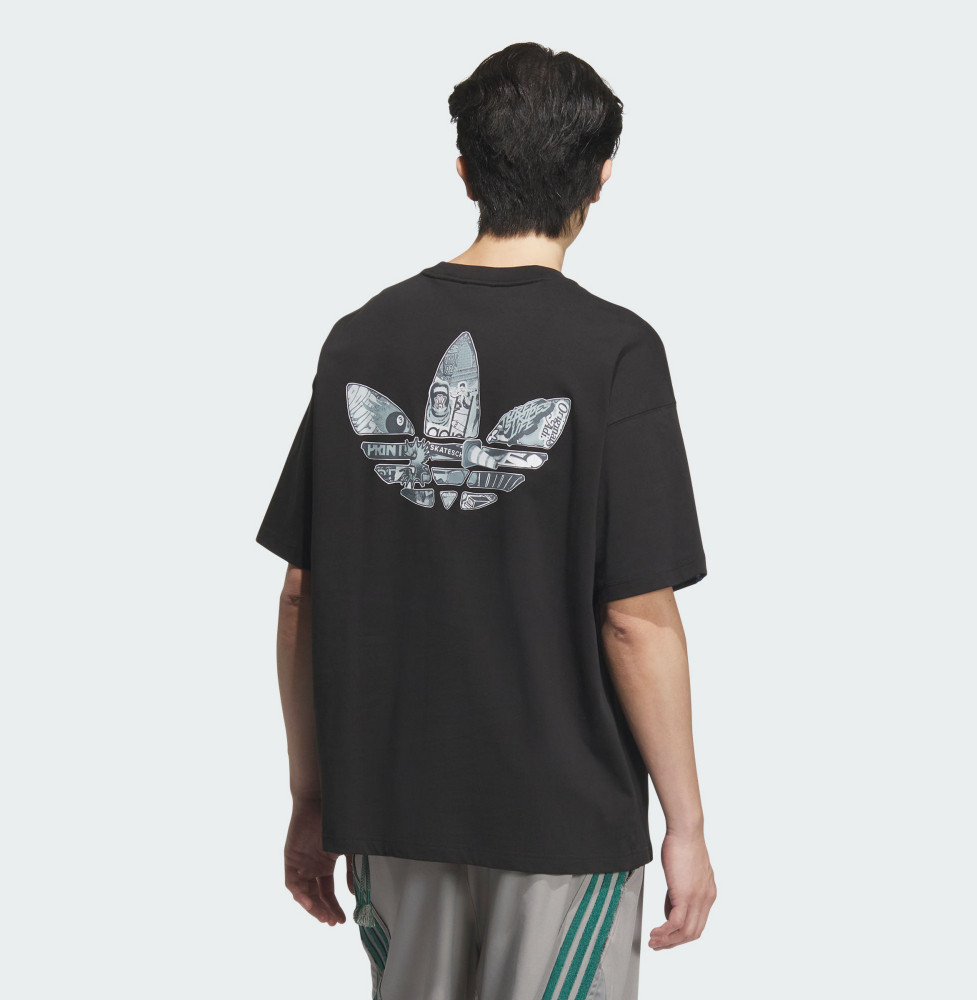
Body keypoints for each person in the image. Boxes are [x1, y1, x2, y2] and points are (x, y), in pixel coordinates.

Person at [256, 40, 717, 1000]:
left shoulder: (360, 339)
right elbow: (635, 619)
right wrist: (686, 824)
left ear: (465, 169)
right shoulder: (615, 353)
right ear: (601, 176)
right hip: (563, 823)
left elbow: (302, 594)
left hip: (392, 812)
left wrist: (313, 797)